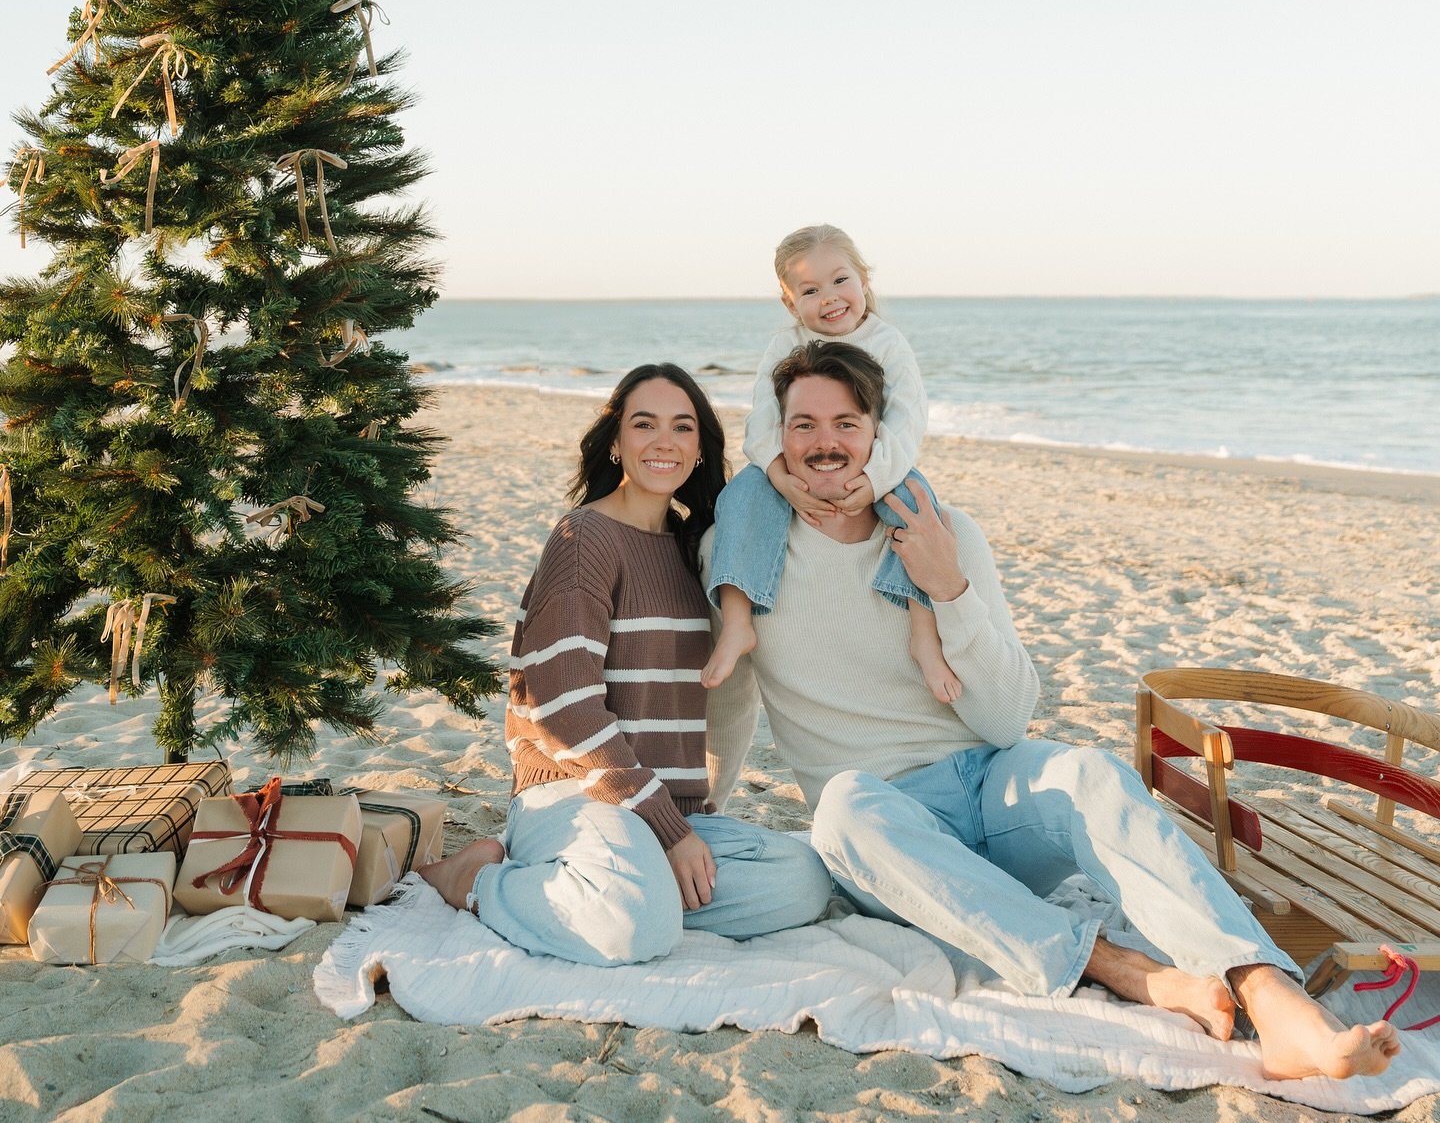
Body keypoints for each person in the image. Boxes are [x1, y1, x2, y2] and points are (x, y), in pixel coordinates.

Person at [704, 339, 1402, 1083]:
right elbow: (732, 695)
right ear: (778, 435)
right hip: (893, 839)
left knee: (1091, 772)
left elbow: (1007, 718)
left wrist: (949, 589)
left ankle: (1269, 993)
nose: (825, 443)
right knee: (841, 806)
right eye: (804, 424)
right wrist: (704, 800)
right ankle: (1120, 967)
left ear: (879, 433)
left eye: (847, 421)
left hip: (989, 785)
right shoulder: (743, 555)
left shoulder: (946, 532)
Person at [422, 362, 832, 965]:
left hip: (665, 807)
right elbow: (564, 708)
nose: (664, 442)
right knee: (634, 932)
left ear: (699, 449)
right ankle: (472, 881)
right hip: (573, 798)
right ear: (616, 442)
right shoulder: (582, 540)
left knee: (802, 880)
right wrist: (667, 831)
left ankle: (630, 894)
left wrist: (676, 825)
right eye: (645, 424)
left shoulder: (696, 550)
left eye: (683, 427)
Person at [702, 223, 961, 703]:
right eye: (810, 290)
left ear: (864, 279)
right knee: (738, 495)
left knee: (916, 502)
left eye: (841, 280)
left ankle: (923, 631)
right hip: (796, 467)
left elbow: (906, 423)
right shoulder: (785, 346)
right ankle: (738, 623)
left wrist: (873, 480)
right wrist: (780, 478)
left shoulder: (888, 344)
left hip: (874, 466)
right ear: (789, 302)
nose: (830, 297)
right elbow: (761, 422)